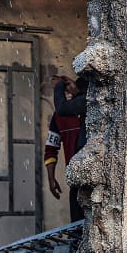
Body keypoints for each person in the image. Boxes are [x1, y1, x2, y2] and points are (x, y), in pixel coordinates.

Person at [45, 75, 88, 223]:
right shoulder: (60, 117)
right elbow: (51, 147)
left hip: (93, 178)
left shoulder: (90, 104)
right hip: (76, 180)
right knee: (78, 226)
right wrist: (51, 178)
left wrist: (60, 88)